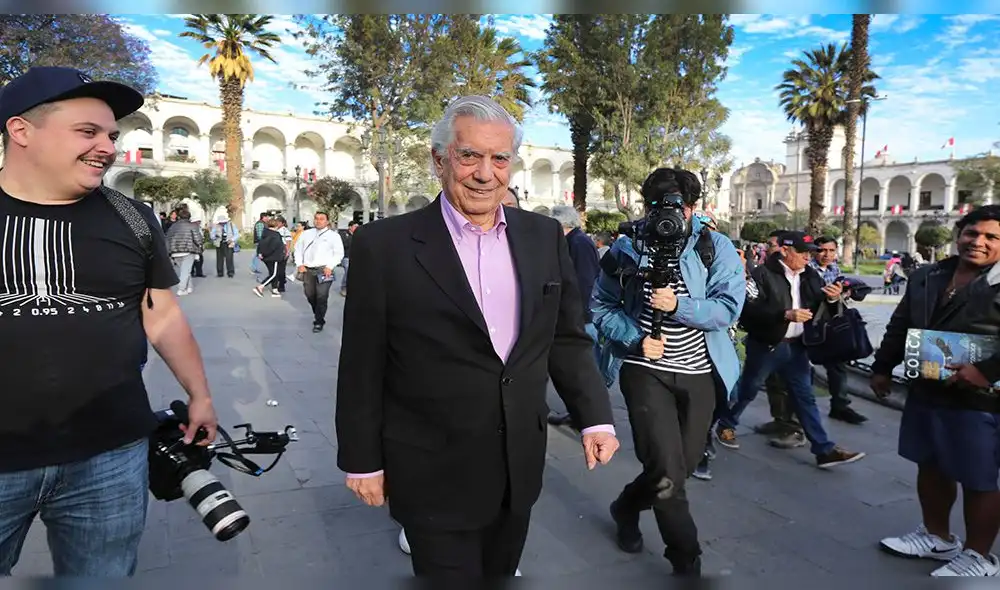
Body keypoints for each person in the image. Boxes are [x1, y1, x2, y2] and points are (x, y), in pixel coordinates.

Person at [336, 95, 619, 578]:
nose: (485, 173)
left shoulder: (544, 236)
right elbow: (363, 362)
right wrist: (361, 460)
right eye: (469, 156)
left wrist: (595, 417)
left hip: (518, 469)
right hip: (430, 470)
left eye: (499, 158)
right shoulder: (383, 246)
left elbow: (566, 337)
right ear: (440, 159)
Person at [0, 66, 218, 576]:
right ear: (21, 130)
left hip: (110, 456)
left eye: (111, 135)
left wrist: (200, 394)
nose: (108, 146)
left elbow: (160, 313)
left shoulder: (131, 216)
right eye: (87, 131)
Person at [591, 168, 745, 576]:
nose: (671, 216)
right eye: (660, 206)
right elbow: (599, 307)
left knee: (682, 467)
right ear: (647, 206)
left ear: (694, 207)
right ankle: (686, 561)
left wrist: (678, 306)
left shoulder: (717, 246)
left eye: (681, 206)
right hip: (645, 372)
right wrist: (635, 339)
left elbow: (729, 308)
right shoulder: (625, 248)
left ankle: (626, 506)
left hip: (698, 373)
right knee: (665, 474)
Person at [872, 206, 1000, 577]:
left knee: (979, 476)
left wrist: (986, 371)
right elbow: (900, 323)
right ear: (958, 234)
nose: (978, 242)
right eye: (972, 233)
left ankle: (979, 555)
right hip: (927, 388)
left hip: (981, 401)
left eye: (992, 237)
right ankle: (937, 537)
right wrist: (882, 366)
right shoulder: (928, 275)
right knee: (930, 464)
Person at [715, 231, 865, 468]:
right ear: (785, 251)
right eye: (803, 252)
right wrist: (783, 315)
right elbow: (747, 311)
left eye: (810, 253)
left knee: (805, 397)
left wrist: (833, 299)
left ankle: (823, 449)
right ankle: (726, 423)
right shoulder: (762, 274)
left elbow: (820, 306)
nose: (808, 258)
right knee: (749, 389)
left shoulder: (810, 275)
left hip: (797, 348)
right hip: (767, 346)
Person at [809, 236, 869, 427]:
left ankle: (840, 405)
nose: (826, 255)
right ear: (813, 251)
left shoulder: (835, 269)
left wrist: (843, 293)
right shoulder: (807, 269)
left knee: (837, 365)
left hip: (830, 322)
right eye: (821, 250)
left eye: (831, 251)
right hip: (807, 321)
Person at [292, 211, 344, 332]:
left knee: (322, 296)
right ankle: (318, 312)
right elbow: (298, 249)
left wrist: (330, 266)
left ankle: (319, 320)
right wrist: (299, 264)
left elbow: (339, 253)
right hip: (308, 269)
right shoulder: (306, 234)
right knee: (310, 294)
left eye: (321, 219)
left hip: (324, 270)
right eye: (316, 218)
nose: (318, 221)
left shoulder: (333, 236)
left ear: (327, 221)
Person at [252, 218, 285, 298]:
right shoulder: (276, 235)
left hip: (266, 257)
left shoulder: (265, 233)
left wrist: (260, 253)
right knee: (274, 274)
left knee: (272, 273)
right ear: (276, 226)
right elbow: (273, 247)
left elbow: (260, 244)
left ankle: (274, 289)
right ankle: (260, 287)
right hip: (274, 257)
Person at [338, 219, 358, 297]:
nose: (356, 228)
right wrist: (352, 237)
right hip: (346, 257)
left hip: (356, 257)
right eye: (355, 227)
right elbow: (344, 245)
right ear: (350, 227)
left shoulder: (358, 235)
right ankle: (344, 288)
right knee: (348, 270)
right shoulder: (344, 234)